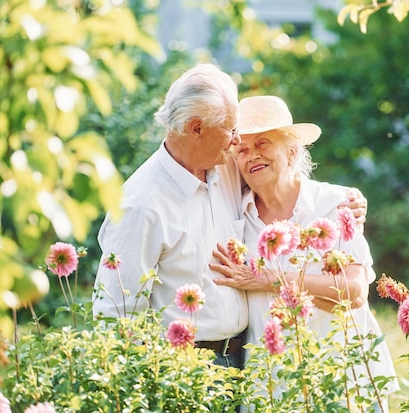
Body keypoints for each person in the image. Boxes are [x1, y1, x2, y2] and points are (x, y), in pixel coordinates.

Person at [92, 64, 368, 370]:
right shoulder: (141, 204)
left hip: (245, 362)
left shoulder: (222, 165)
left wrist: (349, 198)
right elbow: (115, 314)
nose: (238, 142)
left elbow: (280, 169)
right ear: (196, 128)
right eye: (231, 129)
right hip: (184, 367)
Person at [210, 95, 398, 409]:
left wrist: (270, 280)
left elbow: (353, 292)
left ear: (292, 151)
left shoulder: (335, 204)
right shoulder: (236, 219)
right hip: (272, 387)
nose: (252, 155)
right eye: (242, 149)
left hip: (344, 379)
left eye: (264, 144)